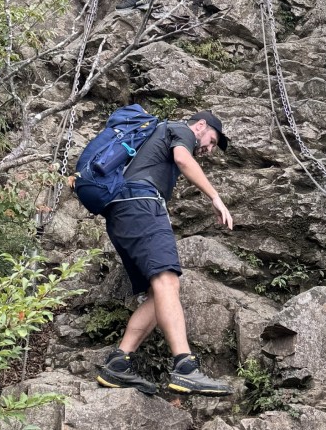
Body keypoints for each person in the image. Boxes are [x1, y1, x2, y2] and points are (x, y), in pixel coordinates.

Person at [96, 110, 234, 396]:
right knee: (168, 281)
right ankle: (185, 367)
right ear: (200, 126)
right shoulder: (180, 130)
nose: (208, 148)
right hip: (142, 203)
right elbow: (184, 159)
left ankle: (119, 363)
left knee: (160, 292)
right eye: (211, 140)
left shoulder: (159, 137)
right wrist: (216, 198)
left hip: (121, 212)